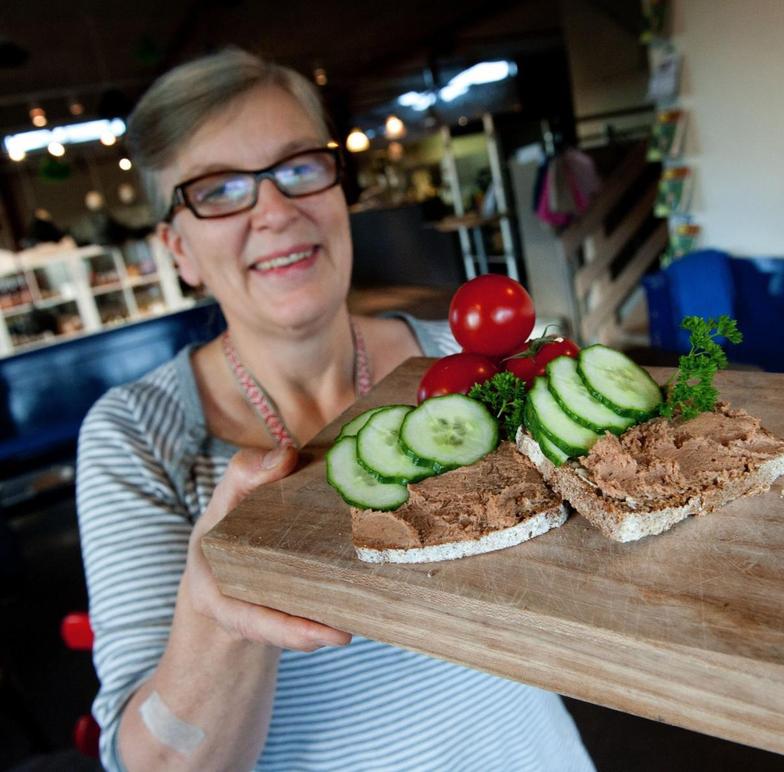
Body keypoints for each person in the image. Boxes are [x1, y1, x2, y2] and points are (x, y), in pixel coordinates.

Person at [76, 49, 594, 771]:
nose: (277, 211)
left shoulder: (469, 361)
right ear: (179, 250)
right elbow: (151, 762)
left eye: (298, 169)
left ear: (337, 187)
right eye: (219, 190)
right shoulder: (135, 437)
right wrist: (216, 612)